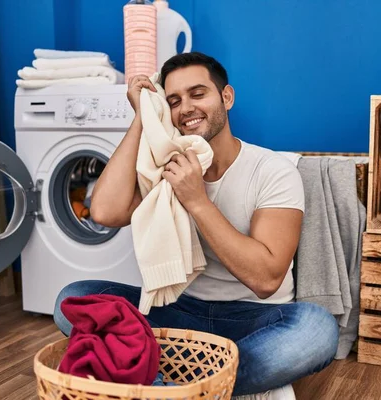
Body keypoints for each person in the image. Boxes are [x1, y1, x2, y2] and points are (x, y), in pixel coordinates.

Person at [53, 52, 339, 400]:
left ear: (226, 97)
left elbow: (265, 279)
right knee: (74, 299)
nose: (185, 107)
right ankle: (210, 385)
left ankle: (161, 381)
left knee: (316, 330)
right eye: (173, 101)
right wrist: (143, 118)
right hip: (180, 311)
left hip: (253, 320)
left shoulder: (273, 170)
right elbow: (105, 212)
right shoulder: (167, 165)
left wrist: (197, 200)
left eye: (197, 93)